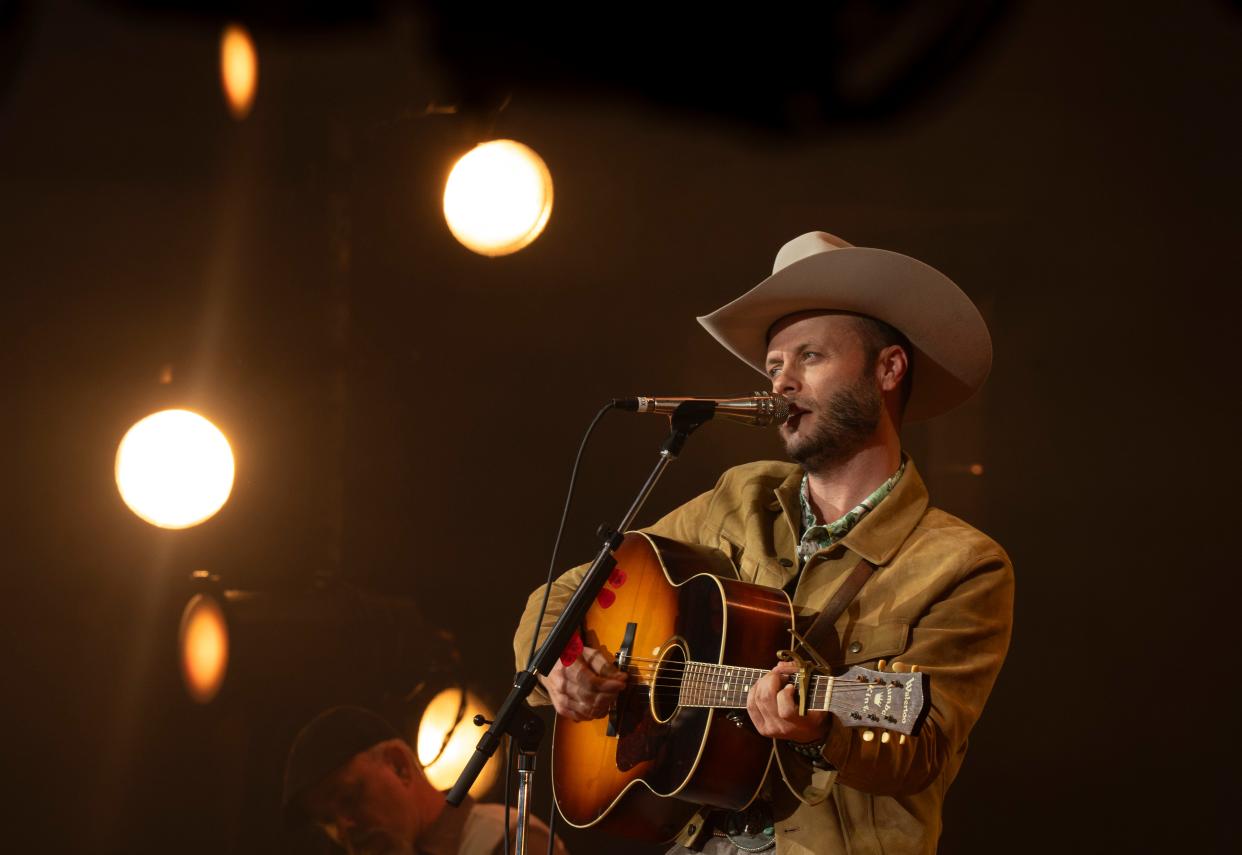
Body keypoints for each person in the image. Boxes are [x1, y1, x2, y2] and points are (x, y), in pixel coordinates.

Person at [512, 231, 1014, 854]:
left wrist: (819, 731)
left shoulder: (962, 564)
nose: (781, 384)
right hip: (692, 838)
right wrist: (565, 670)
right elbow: (563, 595)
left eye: (810, 357)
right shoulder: (740, 496)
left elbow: (925, 750)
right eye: (774, 366)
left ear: (888, 369)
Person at [282, 705, 570, 855]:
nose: (344, 828)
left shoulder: (505, 840)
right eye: (328, 822)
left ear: (399, 766)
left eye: (349, 798)